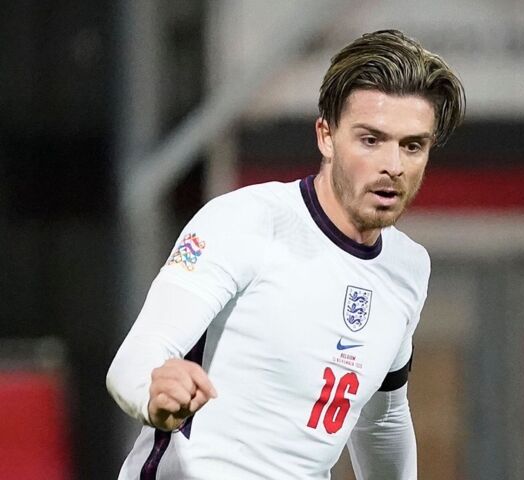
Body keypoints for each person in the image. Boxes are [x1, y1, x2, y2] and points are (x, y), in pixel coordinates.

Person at [107, 29, 465, 480]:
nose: (393, 165)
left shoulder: (408, 267)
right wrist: (153, 394)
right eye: (371, 140)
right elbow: (135, 360)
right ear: (326, 136)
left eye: (412, 145)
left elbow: (382, 419)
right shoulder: (243, 221)